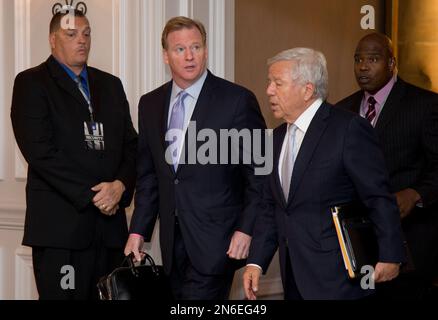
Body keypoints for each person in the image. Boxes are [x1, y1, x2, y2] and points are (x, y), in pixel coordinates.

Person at [243, 48, 406, 300]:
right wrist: (256, 262)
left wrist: (390, 255)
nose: (269, 91)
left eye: (277, 83)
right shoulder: (275, 139)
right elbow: (270, 207)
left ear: (307, 90)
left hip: (340, 279)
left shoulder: (348, 129)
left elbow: (377, 197)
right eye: (269, 82)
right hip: (293, 276)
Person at [124, 16, 266, 300]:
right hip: (171, 244)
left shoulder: (237, 100)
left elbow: (259, 173)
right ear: (166, 55)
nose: (190, 56)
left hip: (218, 242)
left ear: (205, 50)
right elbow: (150, 176)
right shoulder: (150, 104)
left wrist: (246, 229)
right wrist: (138, 231)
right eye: (179, 49)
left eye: (196, 47)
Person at [10, 9, 138, 300]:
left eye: (86, 33)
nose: (82, 41)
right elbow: (40, 152)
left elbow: (132, 146)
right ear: (53, 40)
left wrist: (120, 186)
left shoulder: (110, 85)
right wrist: (95, 195)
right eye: (71, 35)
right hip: (61, 234)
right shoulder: (32, 83)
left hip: (110, 233)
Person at [336, 32, 438, 299]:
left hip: (410, 240)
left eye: (373, 59)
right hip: (357, 242)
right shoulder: (341, 110)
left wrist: (416, 194)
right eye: (358, 59)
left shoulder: (425, 105)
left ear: (392, 63)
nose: (363, 66)